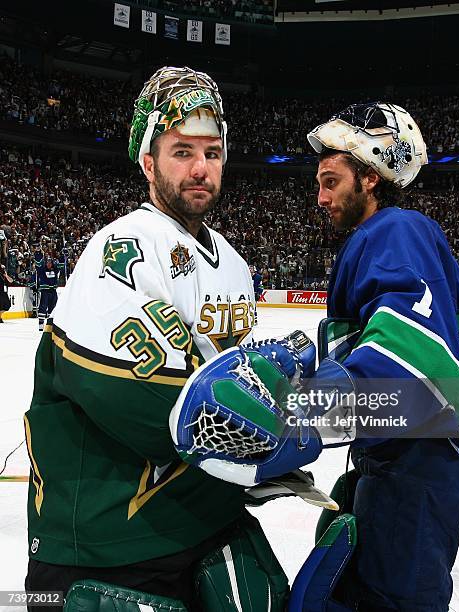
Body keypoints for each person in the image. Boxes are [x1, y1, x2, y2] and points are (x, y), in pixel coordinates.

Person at [24, 66, 292, 611]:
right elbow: (152, 407)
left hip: (206, 518)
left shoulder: (236, 266)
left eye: (212, 153)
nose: (201, 168)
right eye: (181, 151)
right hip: (107, 539)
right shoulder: (121, 250)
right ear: (148, 162)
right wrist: (278, 430)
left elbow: (234, 386)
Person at [301, 103, 459, 611]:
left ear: (370, 178)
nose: (320, 196)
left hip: (431, 444)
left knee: (395, 596)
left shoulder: (393, 229)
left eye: (331, 181)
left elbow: (410, 356)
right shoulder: (391, 234)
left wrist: (297, 416)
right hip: (441, 439)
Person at [33, 249, 64, 331]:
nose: (49, 264)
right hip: (45, 292)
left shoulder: (55, 270)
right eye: (47, 262)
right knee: (42, 307)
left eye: (50, 263)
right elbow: (38, 263)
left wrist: (61, 256)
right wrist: (38, 253)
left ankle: (50, 325)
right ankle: (41, 325)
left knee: (53, 308)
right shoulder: (41, 270)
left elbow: (62, 265)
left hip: (53, 291)